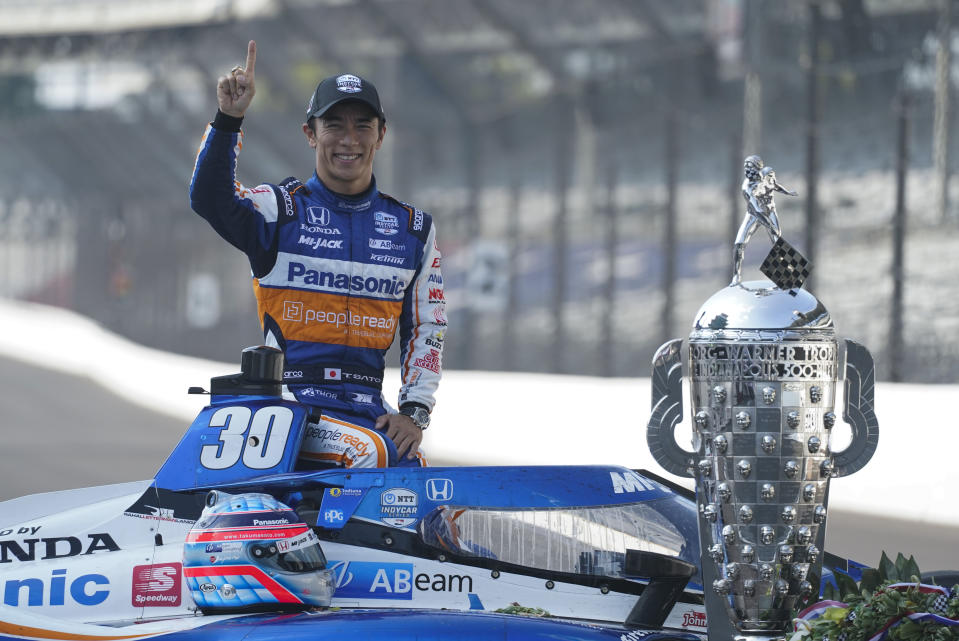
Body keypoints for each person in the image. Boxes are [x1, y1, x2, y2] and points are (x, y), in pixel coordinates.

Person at [190, 41, 445, 469]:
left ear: (381, 135)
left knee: (424, 498)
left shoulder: (413, 229)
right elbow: (209, 199)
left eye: (362, 126)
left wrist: (414, 412)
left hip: (367, 408)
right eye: (334, 126)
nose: (349, 140)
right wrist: (229, 120)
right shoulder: (279, 209)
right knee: (373, 456)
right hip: (288, 406)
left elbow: (428, 327)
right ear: (311, 134)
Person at [730, 155, 797, 285]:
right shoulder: (747, 187)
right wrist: (769, 225)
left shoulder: (769, 174)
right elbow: (757, 210)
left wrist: (787, 192)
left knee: (777, 241)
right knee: (739, 243)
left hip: (770, 210)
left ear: (758, 168)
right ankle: (736, 277)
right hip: (754, 214)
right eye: (745, 167)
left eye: (750, 167)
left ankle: (788, 274)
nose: (747, 171)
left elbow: (774, 185)